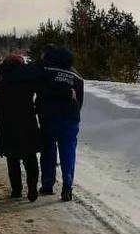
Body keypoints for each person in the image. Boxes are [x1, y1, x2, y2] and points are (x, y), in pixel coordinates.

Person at [0, 53, 40, 202]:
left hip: (7, 124)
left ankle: (17, 190)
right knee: (30, 157)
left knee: (12, 159)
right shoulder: (28, 78)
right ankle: (32, 188)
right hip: (27, 122)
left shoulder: (1, 79)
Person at [36, 45, 83, 202]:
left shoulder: (46, 67)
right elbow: (80, 101)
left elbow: (38, 87)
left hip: (49, 117)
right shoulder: (77, 76)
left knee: (48, 150)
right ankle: (68, 185)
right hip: (71, 118)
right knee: (68, 151)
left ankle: (48, 185)